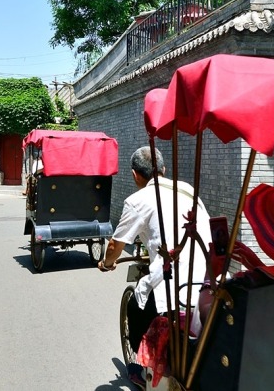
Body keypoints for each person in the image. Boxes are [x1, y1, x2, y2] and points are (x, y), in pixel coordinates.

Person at [98, 146, 211, 388]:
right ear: (163, 170)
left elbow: (115, 246)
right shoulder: (188, 190)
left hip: (173, 282)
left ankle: (142, 371)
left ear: (135, 175)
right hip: (207, 278)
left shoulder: (138, 200)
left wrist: (107, 264)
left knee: (136, 302)